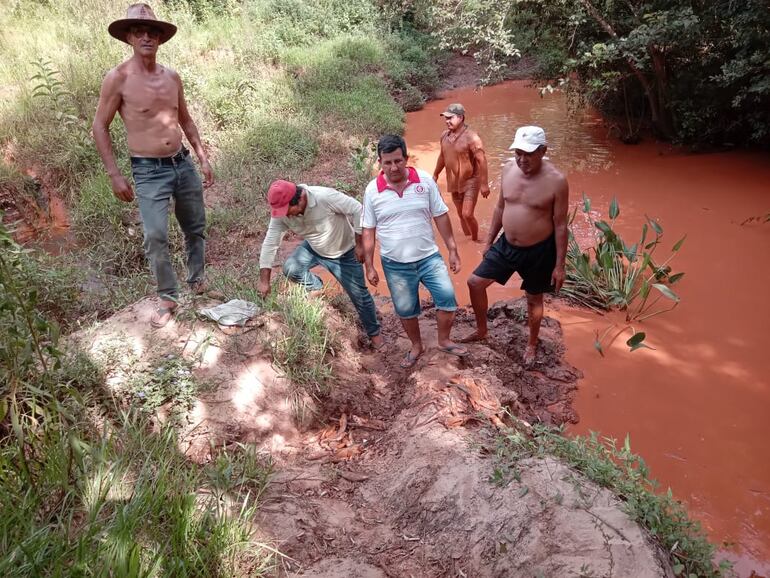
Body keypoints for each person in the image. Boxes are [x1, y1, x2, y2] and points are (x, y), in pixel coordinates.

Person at [92, 3, 214, 328]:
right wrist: (114, 174)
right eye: (139, 31)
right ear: (129, 37)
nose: (146, 36)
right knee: (156, 235)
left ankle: (198, 280)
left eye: (152, 32)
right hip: (148, 170)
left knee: (195, 227)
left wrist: (202, 156)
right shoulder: (117, 79)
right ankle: (167, 296)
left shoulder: (171, 77)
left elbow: (185, 120)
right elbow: (99, 126)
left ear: (159, 38)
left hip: (182, 163)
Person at [463, 126, 568, 366]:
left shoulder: (557, 181)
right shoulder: (509, 168)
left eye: (528, 154)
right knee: (474, 283)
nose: (522, 159)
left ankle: (531, 343)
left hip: (539, 251)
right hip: (507, 244)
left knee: (533, 298)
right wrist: (489, 241)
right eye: (518, 152)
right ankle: (482, 330)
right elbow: (500, 207)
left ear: (543, 151)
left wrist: (559, 265)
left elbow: (561, 225)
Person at [362, 134, 468, 369]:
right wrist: (369, 265)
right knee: (406, 309)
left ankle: (444, 340)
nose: (393, 167)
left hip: (429, 257)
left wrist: (452, 249)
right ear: (380, 162)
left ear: (406, 158)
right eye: (387, 162)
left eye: (398, 161)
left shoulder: (425, 181)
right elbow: (368, 229)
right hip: (395, 263)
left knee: (448, 299)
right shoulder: (372, 191)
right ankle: (416, 345)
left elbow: (440, 215)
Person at [258, 180, 384, 349]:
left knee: (359, 296)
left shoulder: (324, 197)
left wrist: (359, 243)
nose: (286, 215)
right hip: (314, 247)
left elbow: (357, 209)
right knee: (290, 268)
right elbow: (270, 244)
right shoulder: (282, 214)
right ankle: (316, 286)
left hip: (345, 252)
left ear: (301, 198)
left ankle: (375, 337)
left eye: (288, 211)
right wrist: (264, 281)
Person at [432, 103, 490, 242]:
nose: (447, 121)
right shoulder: (444, 136)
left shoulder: (472, 137)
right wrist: (435, 174)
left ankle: (475, 241)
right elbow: (442, 156)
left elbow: (482, 160)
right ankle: (468, 237)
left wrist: (484, 184)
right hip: (453, 181)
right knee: (460, 214)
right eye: (445, 118)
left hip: (471, 180)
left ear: (461, 117)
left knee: (467, 214)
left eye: (450, 118)